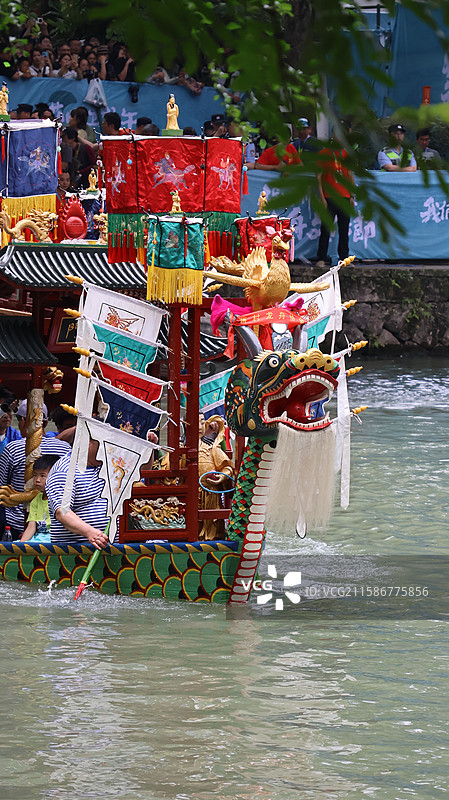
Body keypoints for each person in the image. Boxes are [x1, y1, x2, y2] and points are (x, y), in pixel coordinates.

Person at [0, 403, 70, 539]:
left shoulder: (13, 449)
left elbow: (2, 483)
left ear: (22, 421)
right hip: (55, 524)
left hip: (22, 524)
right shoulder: (66, 448)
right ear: (46, 422)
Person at [315, 130, 355, 267]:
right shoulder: (323, 154)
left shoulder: (347, 154)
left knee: (344, 230)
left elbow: (350, 176)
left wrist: (352, 195)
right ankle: (321, 257)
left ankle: (344, 258)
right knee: (326, 228)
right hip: (329, 196)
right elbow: (318, 177)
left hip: (344, 196)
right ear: (332, 135)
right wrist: (322, 198)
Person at [20, 454, 61, 543]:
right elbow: (31, 526)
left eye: (42, 476)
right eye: (35, 475)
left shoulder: (59, 498)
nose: (37, 480)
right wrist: (21, 544)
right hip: (38, 538)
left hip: (54, 539)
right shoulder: (36, 500)